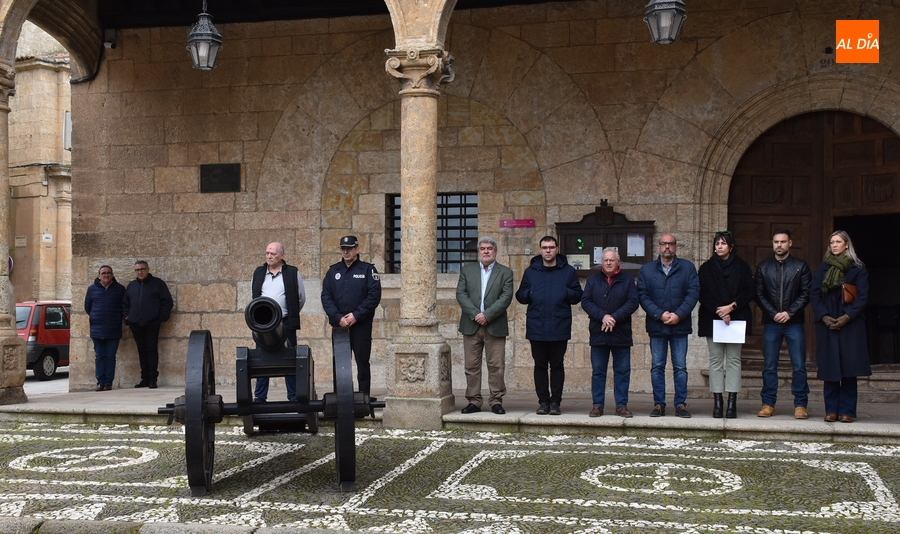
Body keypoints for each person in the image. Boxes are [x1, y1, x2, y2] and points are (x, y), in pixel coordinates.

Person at [515, 236, 583, 416]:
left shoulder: (568, 271)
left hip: (559, 324)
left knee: (557, 365)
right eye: (544, 247)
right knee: (540, 366)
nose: (548, 251)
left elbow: (577, 295)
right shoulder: (531, 271)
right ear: (540, 250)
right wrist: (530, 293)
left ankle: (555, 402)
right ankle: (543, 401)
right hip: (537, 325)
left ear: (557, 249)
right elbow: (520, 295)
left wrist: (564, 292)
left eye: (551, 247)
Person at [810, 230, 870, 423]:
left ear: (846, 245)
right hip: (828, 323)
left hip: (850, 324)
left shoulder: (858, 268)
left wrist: (847, 317)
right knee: (830, 368)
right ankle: (831, 410)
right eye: (832, 242)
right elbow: (814, 295)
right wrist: (824, 317)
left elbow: (862, 297)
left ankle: (847, 411)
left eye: (838, 242)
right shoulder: (823, 268)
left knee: (849, 369)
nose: (834, 245)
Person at [637, 233, 700, 418]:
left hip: (680, 325)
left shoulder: (688, 268)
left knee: (680, 367)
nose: (667, 247)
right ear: (658, 246)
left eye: (670, 244)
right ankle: (658, 404)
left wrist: (679, 314)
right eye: (664, 244)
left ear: (676, 247)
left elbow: (693, 293)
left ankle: (680, 404)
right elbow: (642, 295)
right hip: (657, 325)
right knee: (657, 366)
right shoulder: (647, 270)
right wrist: (660, 314)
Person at [755, 228, 812, 419]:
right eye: (776, 242)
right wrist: (773, 313)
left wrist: (789, 312)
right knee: (769, 365)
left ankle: (800, 405)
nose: (779, 245)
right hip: (771, 323)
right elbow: (759, 294)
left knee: (798, 365)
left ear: (790, 243)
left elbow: (806, 293)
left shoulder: (800, 266)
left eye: (783, 241)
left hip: (794, 322)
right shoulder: (763, 267)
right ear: (772, 244)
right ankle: (768, 403)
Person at [697, 231, 755, 419]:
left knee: (733, 360)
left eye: (723, 243)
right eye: (717, 243)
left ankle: (732, 401)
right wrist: (719, 310)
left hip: (735, 318)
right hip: (712, 318)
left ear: (731, 246)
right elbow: (702, 293)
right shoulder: (706, 268)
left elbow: (748, 291)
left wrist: (731, 307)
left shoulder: (742, 267)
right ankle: (717, 401)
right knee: (715, 361)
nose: (719, 246)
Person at [456, 236, 514, 415]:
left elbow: (506, 297)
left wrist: (487, 315)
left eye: (489, 248)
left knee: (496, 366)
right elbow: (461, 294)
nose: (486, 251)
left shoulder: (505, 272)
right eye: (483, 248)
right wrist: (476, 315)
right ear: (479, 252)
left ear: (495, 251)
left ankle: (496, 400)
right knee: (471, 366)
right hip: (471, 325)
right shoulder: (467, 270)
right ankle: (474, 401)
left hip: (494, 325)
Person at [581, 248, 639, 418]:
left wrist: (613, 318)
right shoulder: (592, 280)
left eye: (611, 260)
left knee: (622, 371)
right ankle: (597, 405)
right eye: (605, 260)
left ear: (618, 262)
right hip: (599, 332)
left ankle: (621, 406)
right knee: (598, 372)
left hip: (621, 332)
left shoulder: (628, 280)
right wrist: (603, 316)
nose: (608, 263)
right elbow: (586, 301)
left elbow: (633, 302)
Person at [321, 236, 382, 396]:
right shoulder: (333, 271)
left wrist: (355, 315)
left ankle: (364, 397)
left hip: (360, 324)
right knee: (340, 363)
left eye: (349, 248)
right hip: (339, 325)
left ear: (357, 249)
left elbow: (373, 297)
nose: (346, 251)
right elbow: (326, 297)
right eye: (343, 249)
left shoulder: (368, 270)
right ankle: (341, 397)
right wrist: (338, 317)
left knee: (362, 361)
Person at [251, 242, 307, 402]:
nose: (269, 256)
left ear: (282, 255)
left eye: (273, 254)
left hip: (286, 322)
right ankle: (260, 397)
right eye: (267, 253)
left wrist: (290, 313)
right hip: (263, 324)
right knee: (262, 360)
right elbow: (254, 295)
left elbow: (301, 298)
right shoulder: (258, 273)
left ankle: (294, 396)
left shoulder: (292, 273)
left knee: (290, 359)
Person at [122, 260, 173, 388]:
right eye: (137, 270)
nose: (140, 272)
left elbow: (167, 302)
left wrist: (161, 317)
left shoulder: (158, 284)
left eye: (142, 269)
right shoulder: (132, 286)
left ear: (148, 269)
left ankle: (152, 379)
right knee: (141, 351)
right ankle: (144, 378)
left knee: (151, 350)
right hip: (135, 323)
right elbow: (125, 304)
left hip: (152, 322)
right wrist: (127, 317)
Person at [84, 265, 126, 391]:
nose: (106, 275)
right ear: (99, 276)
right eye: (103, 273)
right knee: (99, 356)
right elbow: (88, 307)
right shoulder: (92, 289)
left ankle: (108, 382)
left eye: (108, 273)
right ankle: (100, 382)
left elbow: (124, 307)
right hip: (97, 330)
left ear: (112, 275)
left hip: (113, 329)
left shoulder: (120, 289)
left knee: (110, 357)